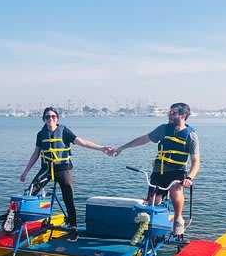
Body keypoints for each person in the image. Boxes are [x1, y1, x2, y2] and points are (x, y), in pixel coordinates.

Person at [20, 106, 111, 242]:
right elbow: (35, 154)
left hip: (63, 169)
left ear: (57, 118)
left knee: (68, 198)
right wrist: (25, 172)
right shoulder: (41, 134)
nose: (50, 119)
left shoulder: (64, 132)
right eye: (47, 117)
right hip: (47, 169)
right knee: (30, 192)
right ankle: (18, 221)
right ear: (44, 119)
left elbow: (83, 142)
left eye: (53, 116)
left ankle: (73, 228)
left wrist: (101, 148)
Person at [111, 103, 200, 236]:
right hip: (159, 172)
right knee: (153, 202)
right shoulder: (163, 129)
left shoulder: (191, 136)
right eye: (169, 112)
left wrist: (189, 178)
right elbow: (143, 139)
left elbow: (196, 162)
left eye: (173, 113)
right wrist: (121, 148)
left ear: (183, 116)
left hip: (177, 173)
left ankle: (178, 219)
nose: (169, 115)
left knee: (176, 192)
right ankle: (150, 229)